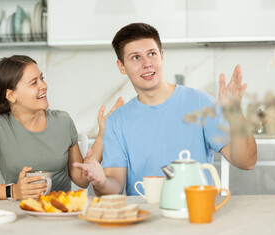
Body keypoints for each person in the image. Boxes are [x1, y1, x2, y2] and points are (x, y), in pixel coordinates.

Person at [74, 23, 257, 196]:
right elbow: (115, 186)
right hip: (144, 220)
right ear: (121, 66)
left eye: (152, 54)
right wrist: (100, 182)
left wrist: (235, 115)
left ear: (162, 55)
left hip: (195, 215)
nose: (147, 63)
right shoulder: (116, 121)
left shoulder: (201, 103)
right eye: (136, 57)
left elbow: (246, 162)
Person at [0, 55, 124, 200]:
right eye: (33, 83)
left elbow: (81, 179)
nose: (43, 85)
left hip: (59, 212)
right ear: (11, 95)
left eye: (42, 78)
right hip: (20, 213)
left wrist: (103, 133)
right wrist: (14, 191)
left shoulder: (62, 121)